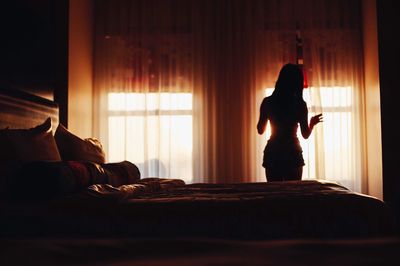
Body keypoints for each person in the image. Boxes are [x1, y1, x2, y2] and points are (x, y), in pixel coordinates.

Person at [257, 63, 322, 181]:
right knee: (294, 194)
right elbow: (305, 135)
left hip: (273, 152)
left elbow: (260, 130)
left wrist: (268, 115)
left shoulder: (268, 102)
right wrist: (311, 124)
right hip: (292, 151)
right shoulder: (300, 104)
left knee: (274, 194)